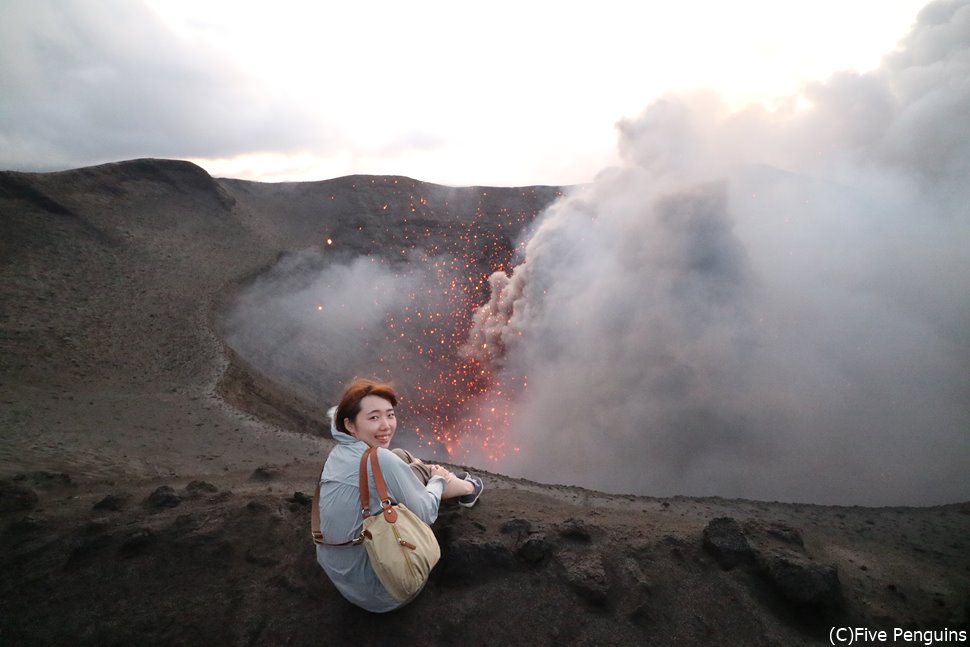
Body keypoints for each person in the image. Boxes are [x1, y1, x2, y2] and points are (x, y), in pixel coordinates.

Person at [315, 378, 484, 612]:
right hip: (387, 591)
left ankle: (433, 473)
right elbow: (426, 513)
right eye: (374, 417)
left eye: (390, 415)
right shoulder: (380, 460)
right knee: (425, 473)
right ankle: (469, 488)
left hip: (344, 580)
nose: (385, 425)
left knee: (400, 456)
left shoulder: (338, 452)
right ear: (350, 424)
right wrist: (437, 480)